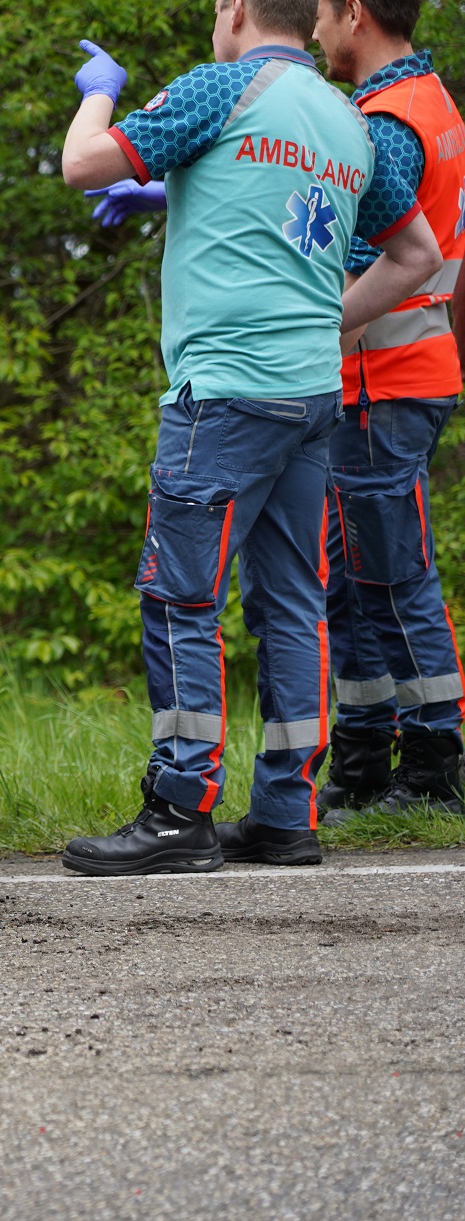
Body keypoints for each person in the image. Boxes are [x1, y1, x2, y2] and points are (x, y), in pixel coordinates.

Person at [56, 0, 440, 876]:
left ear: (234, 10)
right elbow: (415, 254)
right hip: (310, 398)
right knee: (294, 604)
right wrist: (318, 326)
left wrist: (99, 94)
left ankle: (179, 810)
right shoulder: (349, 121)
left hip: (223, 397)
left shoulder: (218, 88)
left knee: (181, 597)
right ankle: (284, 815)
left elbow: (81, 163)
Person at [313, 0, 465, 820]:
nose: (313, 34)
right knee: (357, 582)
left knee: (394, 579)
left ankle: (435, 766)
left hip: (383, 379)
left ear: (355, 14)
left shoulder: (386, 123)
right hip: (401, 377)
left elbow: (382, 263)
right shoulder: (431, 102)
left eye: (321, 17)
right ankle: (368, 756)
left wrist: (305, 339)